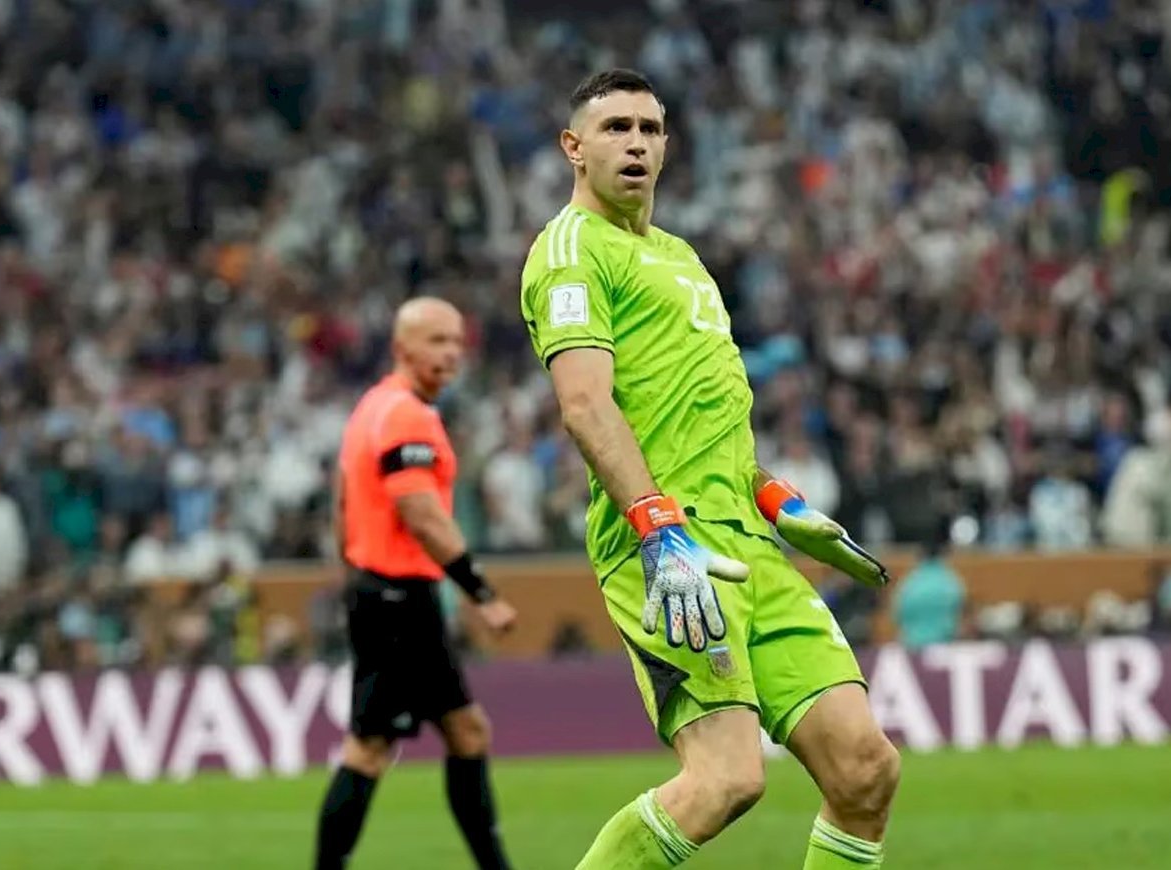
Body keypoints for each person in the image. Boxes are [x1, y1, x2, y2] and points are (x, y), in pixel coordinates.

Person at [519, 69, 899, 870]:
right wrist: (657, 526)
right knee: (726, 779)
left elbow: (704, 416)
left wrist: (775, 497)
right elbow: (584, 404)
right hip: (668, 547)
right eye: (616, 128)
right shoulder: (570, 251)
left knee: (865, 769)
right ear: (573, 148)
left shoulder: (681, 257)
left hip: (750, 545)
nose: (635, 143)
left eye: (649, 129)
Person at [315, 297, 519, 870]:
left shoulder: (372, 408)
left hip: (385, 592)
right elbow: (422, 514)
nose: (451, 353)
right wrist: (482, 594)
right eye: (436, 341)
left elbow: (342, 501)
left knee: (466, 731)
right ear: (401, 347)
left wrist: (353, 569)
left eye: (456, 341)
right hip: (398, 596)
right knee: (370, 748)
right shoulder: (407, 416)